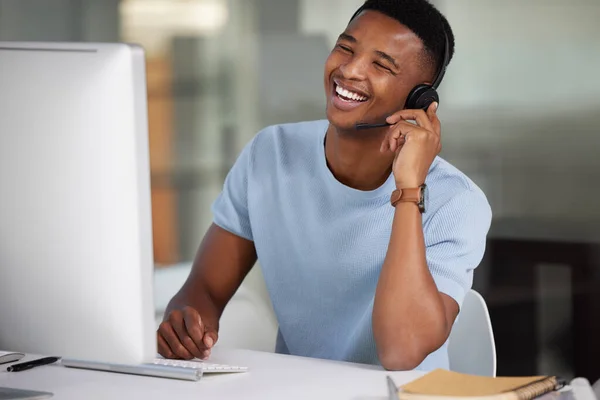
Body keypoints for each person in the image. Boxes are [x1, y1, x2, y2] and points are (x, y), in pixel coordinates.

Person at [157, 0, 492, 371]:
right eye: (345, 48)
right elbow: (204, 288)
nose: (349, 70)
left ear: (421, 99)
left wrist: (409, 188)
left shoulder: (457, 203)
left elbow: (401, 351)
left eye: (381, 65)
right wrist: (185, 324)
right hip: (297, 391)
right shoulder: (270, 155)